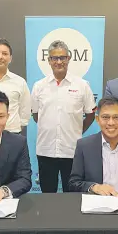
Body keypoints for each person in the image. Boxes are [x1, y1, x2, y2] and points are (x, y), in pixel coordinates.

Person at [31, 40, 96, 193]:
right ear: (49, 61)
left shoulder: (82, 85)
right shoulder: (39, 86)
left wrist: (76, 131)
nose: (59, 61)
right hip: (46, 150)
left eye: (62, 57)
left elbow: (91, 115)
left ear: (68, 58)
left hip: (72, 150)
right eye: (54, 58)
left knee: (72, 194)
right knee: (47, 194)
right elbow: (36, 115)